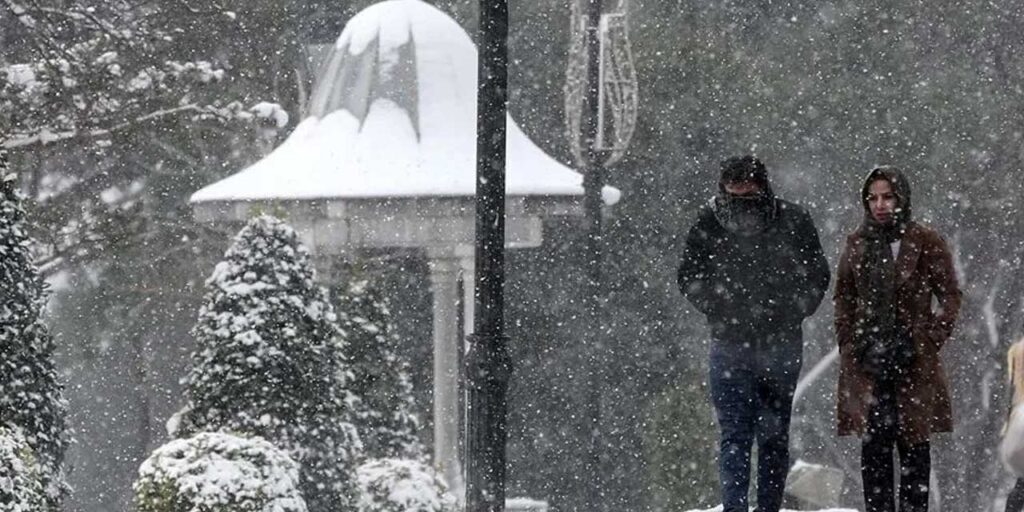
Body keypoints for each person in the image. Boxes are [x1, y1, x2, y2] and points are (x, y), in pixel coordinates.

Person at [678, 155, 830, 512]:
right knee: (739, 436)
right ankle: (737, 507)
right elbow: (688, 275)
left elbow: (816, 276)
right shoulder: (711, 220)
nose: (740, 207)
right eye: (734, 197)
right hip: (733, 342)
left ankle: (766, 507)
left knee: (769, 437)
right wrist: (721, 307)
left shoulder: (793, 220)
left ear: (762, 188)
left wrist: (789, 311)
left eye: (747, 197)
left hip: (775, 343)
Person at [834, 166, 962, 512]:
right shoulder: (857, 243)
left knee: (914, 454)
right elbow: (844, 296)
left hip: (913, 363)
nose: (880, 205)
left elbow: (950, 294)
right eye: (873, 197)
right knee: (874, 456)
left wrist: (928, 339)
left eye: (887, 197)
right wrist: (852, 344)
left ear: (901, 198)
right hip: (869, 363)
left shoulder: (925, 241)